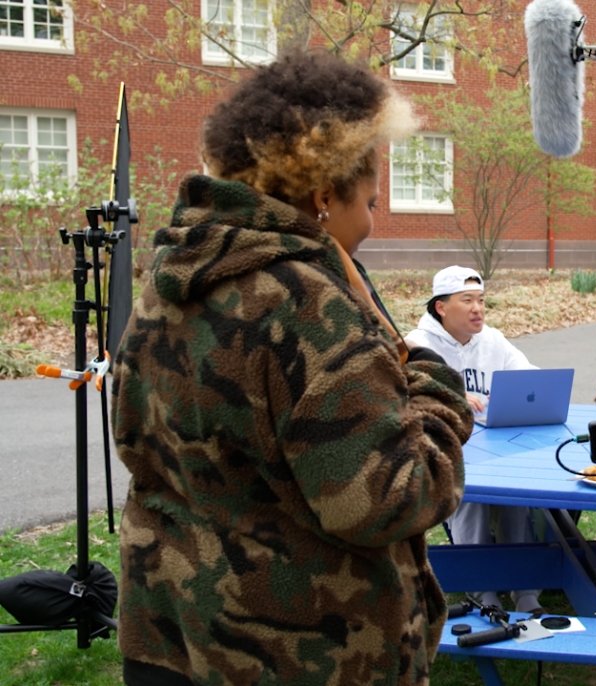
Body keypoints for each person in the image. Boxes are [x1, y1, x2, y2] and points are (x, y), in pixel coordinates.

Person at [110, 51, 471, 686]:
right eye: (369, 200)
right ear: (324, 196)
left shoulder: (171, 280)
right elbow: (387, 500)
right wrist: (439, 393)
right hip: (302, 656)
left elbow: (136, 437)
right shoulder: (306, 303)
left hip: (171, 636)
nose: (372, 219)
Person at [405, 265, 543, 614]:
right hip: (446, 452)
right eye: (467, 301)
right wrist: (449, 395)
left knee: (517, 496)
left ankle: (525, 589)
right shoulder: (416, 345)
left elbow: (528, 376)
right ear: (441, 306)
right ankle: (480, 589)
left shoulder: (493, 340)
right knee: (471, 497)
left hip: (497, 448)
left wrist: (532, 387)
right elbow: (402, 399)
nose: (477, 308)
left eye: (481, 300)